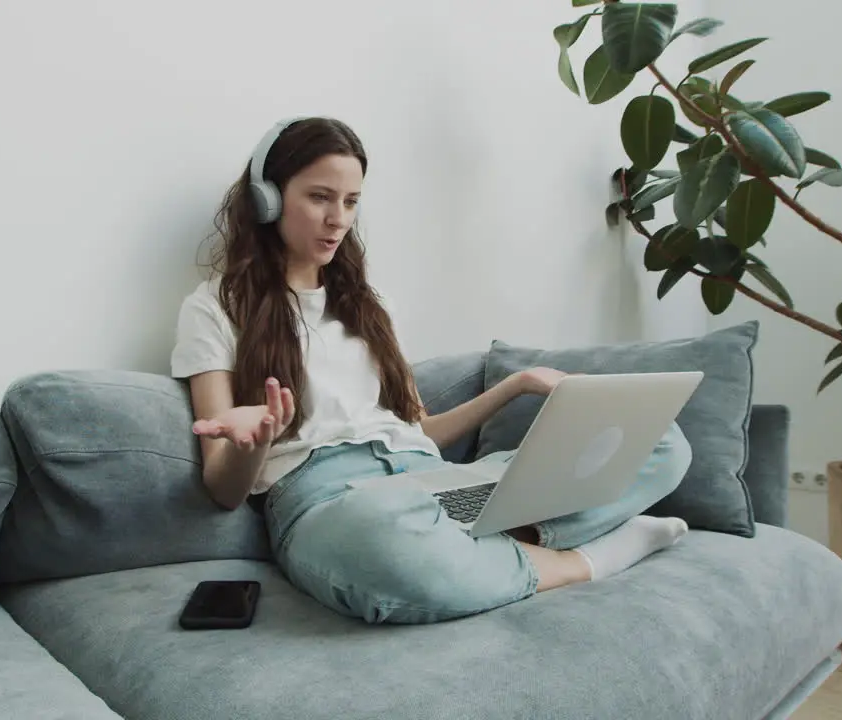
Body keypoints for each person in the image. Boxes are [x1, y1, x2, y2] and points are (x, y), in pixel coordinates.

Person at [170, 116, 693, 625]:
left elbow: (419, 430)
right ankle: (582, 561)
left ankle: (477, 548)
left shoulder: (369, 304)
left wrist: (515, 386)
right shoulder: (215, 308)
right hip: (333, 504)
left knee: (663, 442)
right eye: (320, 197)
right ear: (269, 198)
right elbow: (224, 488)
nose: (339, 219)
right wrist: (253, 443)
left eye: (351, 201)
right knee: (383, 536)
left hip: (429, 482)